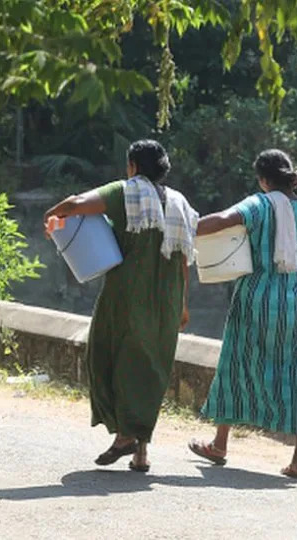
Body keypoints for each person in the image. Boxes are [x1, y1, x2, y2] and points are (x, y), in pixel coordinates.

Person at [43, 139, 198, 473]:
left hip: (127, 297)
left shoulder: (126, 191)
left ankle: (124, 437)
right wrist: (183, 305)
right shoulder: (180, 202)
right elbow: (184, 261)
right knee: (149, 372)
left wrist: (51, 215)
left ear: (132, 166)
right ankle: (140, 451)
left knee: (110, 358)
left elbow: (75, 203)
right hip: (168, 301)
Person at [187, 149, 297, 480]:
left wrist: (185, 228)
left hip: (257, 301)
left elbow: (222, 221)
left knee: (235, 363)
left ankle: (220, 443)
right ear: (292, 177)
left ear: (263, 179)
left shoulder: (259, 204)